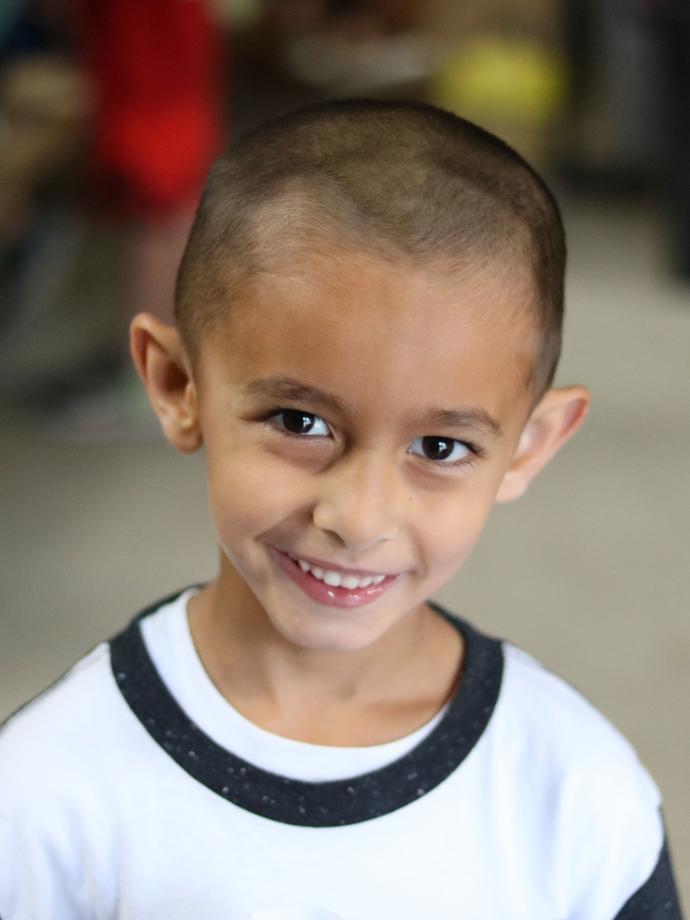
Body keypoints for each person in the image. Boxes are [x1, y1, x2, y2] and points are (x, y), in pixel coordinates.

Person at [0, 100, 682, 919]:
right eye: (300, 423)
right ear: (179, 387)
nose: (359, 520)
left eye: (439, 448)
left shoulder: (577, 797)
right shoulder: (45, 797)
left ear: (530, 446)